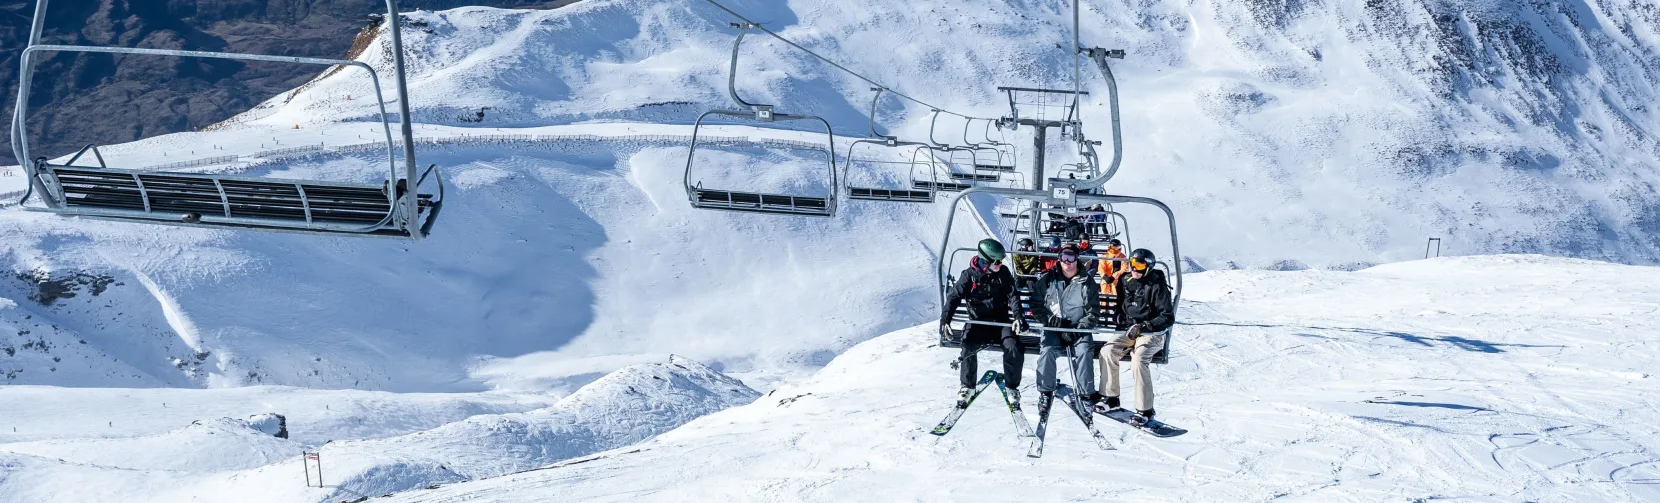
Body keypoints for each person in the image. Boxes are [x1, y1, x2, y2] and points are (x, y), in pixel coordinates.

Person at [940, 239, 1028, 409]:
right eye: (996, 261)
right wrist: (945, 321)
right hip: (977, 321)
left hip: (1000, 322)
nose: (1000, 264)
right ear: (986, 261)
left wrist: (1018, 317)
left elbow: (1013, 295)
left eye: (1001, 261)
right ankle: (967, 386)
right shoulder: (969, 275)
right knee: (968, 345)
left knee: (1013, 346)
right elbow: (954, 298)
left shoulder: (1003, 273)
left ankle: (1012, 387)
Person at [1098, 248, 1174, 425]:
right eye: (1132, 264)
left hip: (1151, 333)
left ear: (1148, 266)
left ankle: (1145, 409)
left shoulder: (1157, 286)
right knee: (1107, 351)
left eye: (1139, 265)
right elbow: (1120, 305)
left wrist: (1146, 325)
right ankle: (1111, 398)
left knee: (1138, 360)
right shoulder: (1126, 280)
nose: (1134, 269)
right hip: (1128, 330)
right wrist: (1119, 316)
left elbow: (1167, 316)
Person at [1029, 243, 1102, 407]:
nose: (1067, 261)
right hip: (1054, 326)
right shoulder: (1048, 279)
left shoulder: (1086, 281)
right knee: (1047, 351)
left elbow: (1093, 311)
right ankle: (1046, 391)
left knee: (1084, 351)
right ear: (1059, 258)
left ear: (1077, 259)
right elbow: (1036, 304)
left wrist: (1077, 330)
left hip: (1078, 327)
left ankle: (1086, 392)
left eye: (1071, 257)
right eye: (1064, 257)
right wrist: (1053, 321)